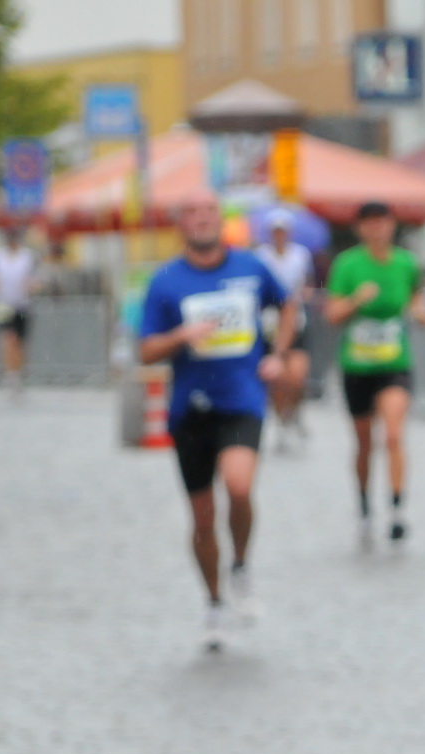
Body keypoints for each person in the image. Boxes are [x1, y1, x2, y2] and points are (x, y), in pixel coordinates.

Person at [138, 189, 295, 647]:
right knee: (203, 518)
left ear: (219, 220)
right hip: (190, 408)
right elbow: (145, 348)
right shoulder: (165, 282)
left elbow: (286, 305)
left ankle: (241, 565)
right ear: (181, 223)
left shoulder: (249, 267)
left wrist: (278, 355)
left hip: (242, 398)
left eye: (209, 211)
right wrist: (181, 336)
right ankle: (213, 603)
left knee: (240, 486)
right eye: (193, 211)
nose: (203, 219)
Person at [325, 201, 425, 544]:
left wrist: (420, 310)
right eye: (369, 223)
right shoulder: (347, 264)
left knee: (394, 435)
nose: (377, 229)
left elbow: (416, 295)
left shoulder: (405, 263)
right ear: (360, 228)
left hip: (394, 363)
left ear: (392, 225)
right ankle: (365, 506)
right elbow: (332, 314)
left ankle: (398, 509)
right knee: (364, 442)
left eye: (383, 222)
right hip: (357, 366)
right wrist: (356, 300)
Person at [253, 208, 315, 448]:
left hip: (295, 321)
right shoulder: (261, 256)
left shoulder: (300, 255)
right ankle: (281, 420)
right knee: (277, 378)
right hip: (270, 322)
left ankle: (294, 412)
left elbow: (309, 280)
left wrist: (306, 293)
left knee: (297, 376)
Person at [0, 228, 36, 392]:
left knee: (20, 342)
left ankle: (18, 371)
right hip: (3, 304)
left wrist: (31, 285)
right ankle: (10, 373)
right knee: (8, 338)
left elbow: (34, 278)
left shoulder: (26, 257)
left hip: (22, 304)